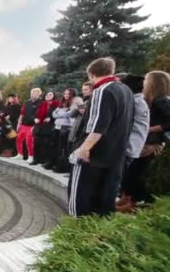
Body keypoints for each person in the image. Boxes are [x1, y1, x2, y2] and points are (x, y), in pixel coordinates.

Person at [68, 57, 134, 217]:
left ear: (91, 74)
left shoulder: (102, 90)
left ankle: (76, 231)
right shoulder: (126, 90)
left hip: (93, 155)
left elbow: (98, 126)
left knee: (80, 200)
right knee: (104, 202)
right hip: (115, 154)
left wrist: (84, 149)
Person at [116, 71, 170, 212]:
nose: (143, 83)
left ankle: (136, 201)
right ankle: (127, 197)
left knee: (134, 172)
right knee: (130, 172)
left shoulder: (161, 101)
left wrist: (148, 129)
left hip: (151, 144)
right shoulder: (151, 100)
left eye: (147, 80)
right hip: (145, 142)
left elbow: (167, 123)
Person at [48, 88, 77, 172]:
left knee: (63, 148)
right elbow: (54, 114)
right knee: (55, 147)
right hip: (57, 127)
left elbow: (69, 114)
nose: (66, 95)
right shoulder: (62, 103)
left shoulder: (74, 104)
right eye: (65, 94)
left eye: (68, 94)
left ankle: (62, 167)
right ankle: (54, 163)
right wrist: (62, 114)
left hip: (66, 128)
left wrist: (60, 114)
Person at [13, 88, 42, 163]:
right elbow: (22, 114)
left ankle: (31, 156)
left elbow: (41, 115)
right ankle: (20, 154)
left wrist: (36, 125)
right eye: (32, 93)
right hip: (23, 124)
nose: (34, 94)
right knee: (18, 139)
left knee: (29, 141)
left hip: (32, 125)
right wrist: (19, 124)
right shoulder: (27, 102)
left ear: (39, 94)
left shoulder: (41, 103)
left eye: (36, 93)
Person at [32, 91, 59, 166]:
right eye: (47, 94)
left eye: (50, 94)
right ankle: (36, 159)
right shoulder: (41, 103)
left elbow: (58, 115)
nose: (48, 95)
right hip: (39, 126)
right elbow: (34, 113)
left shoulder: (56, 104)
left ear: (54, 96)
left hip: (48, 127)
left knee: (46, 144)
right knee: (36, 143)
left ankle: (45, 160)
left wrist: (51, 119)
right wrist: (35, 118)